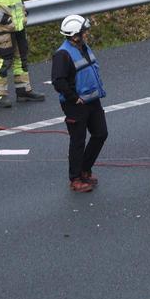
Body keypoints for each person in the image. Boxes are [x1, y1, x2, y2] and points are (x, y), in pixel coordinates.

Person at [52, 15, 107, 194]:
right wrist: (74, 98)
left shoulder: (83, 47)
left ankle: (85, 169)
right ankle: (75, 179)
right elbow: (58, 82)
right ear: (75, 35)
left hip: (92, 100)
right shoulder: (62, 55)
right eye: (84, 32)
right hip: (76, 104)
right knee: (78, 141)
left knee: (100, 134)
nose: (87, 34)